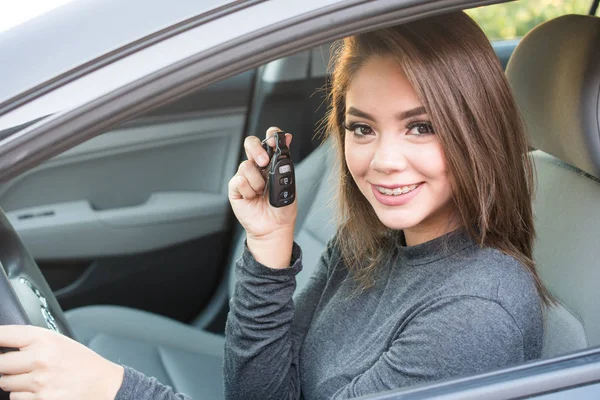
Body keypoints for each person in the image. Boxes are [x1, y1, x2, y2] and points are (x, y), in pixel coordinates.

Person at [0, 11, 548, 400]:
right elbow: (259, 393)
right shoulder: (370, 246)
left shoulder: (477, 312)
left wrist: (112, 389)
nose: (383, 160)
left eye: (420, 127)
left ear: (476, 128)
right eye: (361, 128)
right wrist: (268, 247)